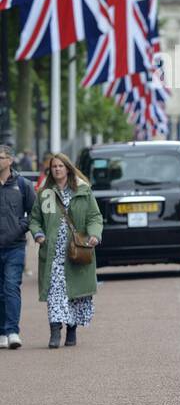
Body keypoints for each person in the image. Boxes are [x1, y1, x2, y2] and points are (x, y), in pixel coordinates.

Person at [28, 153, 102, 349]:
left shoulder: (83, 191)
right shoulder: (45, 194)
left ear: (68, 168)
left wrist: (94, 234)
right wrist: (38, 235)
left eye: (61, 166)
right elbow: (35, 219)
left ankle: (71, 329)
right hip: (52, 253)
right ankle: (54, 332)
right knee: (55, 293)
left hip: (77, 251)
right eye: (54, 167)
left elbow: (95, 217)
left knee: (75, 294)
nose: (57, 169)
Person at [0, 144, 37, 349]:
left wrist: (20, 227)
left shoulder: (23, 185)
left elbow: (34, 213)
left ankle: (13, 331)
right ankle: (1, 333)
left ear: (10, 160)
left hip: (15, 246)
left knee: (11, 286)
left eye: (0, 157)